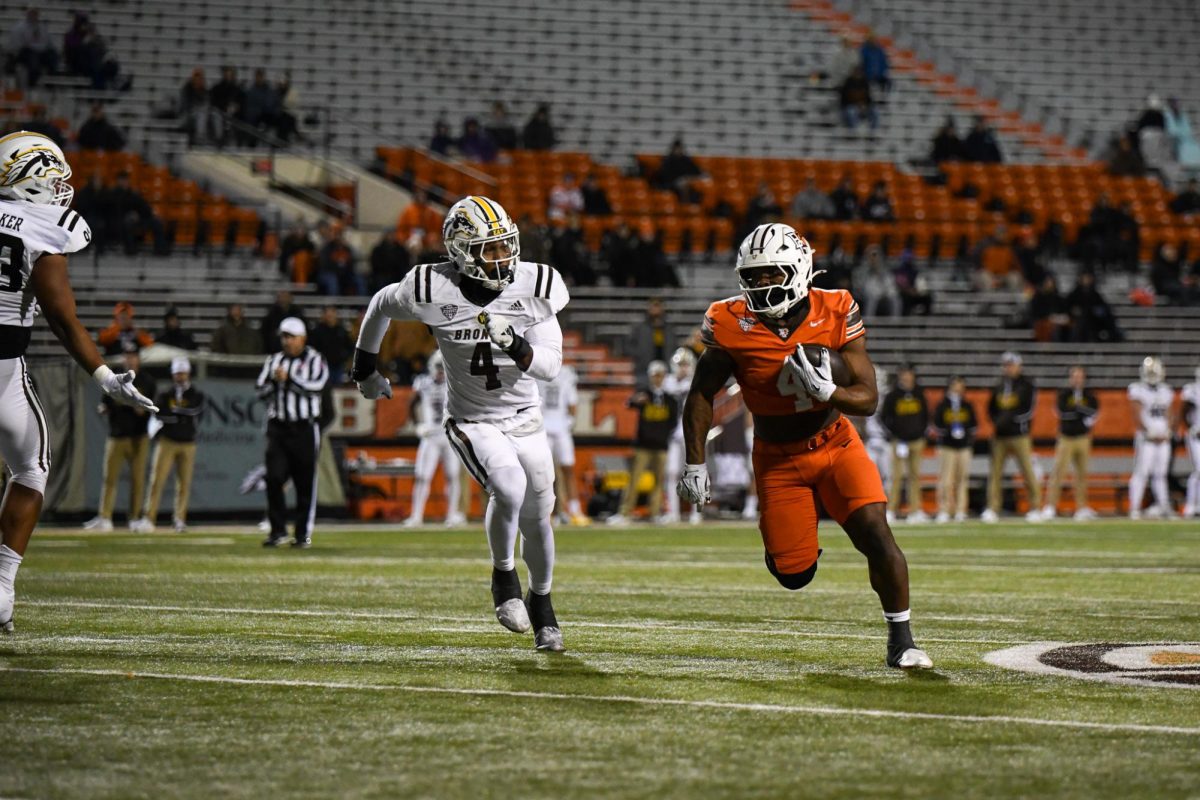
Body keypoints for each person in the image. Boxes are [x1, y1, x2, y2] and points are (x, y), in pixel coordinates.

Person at [678, 222, 932, 669]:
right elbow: (701, 392)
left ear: (797, 270)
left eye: (771, 274)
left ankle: (902, 640)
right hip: (777, 459)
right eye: (753, 277)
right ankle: (789, 543)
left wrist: (828, 390)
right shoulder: (730, 321)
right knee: (794, 575)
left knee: (875, 532)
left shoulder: (834, 308)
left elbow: (869, 399)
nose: (761, 285)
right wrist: (695, 463)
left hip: (835, 443)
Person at [351, 195, 570, 652]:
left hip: (526, 417)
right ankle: (503, 577)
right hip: (472, 418)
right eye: (489, 249)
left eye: (506, 245)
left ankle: (543, 602)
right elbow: (379, 304)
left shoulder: (536, 283)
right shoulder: (431, 288)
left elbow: (549, 366)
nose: (503, 257)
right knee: (508, 486)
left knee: (539, 516)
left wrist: (514, 343)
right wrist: (365, 368)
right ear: (459, 251)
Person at [0, 131, 157, 632]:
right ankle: (1, 586)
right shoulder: (44, 227)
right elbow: (63, 320)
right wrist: (105, 376)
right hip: (3, 370)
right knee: (30, 468)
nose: (61, 187)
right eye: (51, 177)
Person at [256, 317, 329, 547]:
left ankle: (302, 534)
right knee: (274, 477)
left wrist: (289, 381)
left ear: (302, 338)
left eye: (290, 337)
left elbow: (316, 387)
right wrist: (273, 382)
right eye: (283, 337)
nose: (286, 342)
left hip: (304, 427)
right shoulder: (274, 360)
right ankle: (277, 530)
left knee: (304, 483)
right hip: (278, 427)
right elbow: (260, 390)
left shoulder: (315, 359)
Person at [85, 345, 158, 531]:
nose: (131, 359)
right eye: (128, 356)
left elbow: (152, 410)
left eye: (134, 356)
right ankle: (105, 517)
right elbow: (104, 403)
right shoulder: (115, 377)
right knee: (109, 478)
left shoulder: (147, 381)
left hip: (138, 437)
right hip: (117, 434)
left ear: (139, 359)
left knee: (138, 479)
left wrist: (140, 410)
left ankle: (134, 517)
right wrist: (104, 408)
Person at [133, 357, 204, 533]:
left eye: (182, 372)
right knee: (157, 480)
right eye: (177, 373)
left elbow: (194, 411)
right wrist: (178, 416)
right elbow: (159, 413)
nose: (179, 376)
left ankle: (179, 519)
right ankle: (149, 518)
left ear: (188, 373)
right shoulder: (166, 393)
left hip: (188, 442)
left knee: (184, 483)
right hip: (167, 442)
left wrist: (173, 414)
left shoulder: (196, 394)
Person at [608, 361, 679, 525]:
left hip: (661, 446)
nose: (658, 378)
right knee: (634, 480)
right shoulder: (644, 394)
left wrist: (662, 435)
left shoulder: (670, 399)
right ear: (650, 376)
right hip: (642, 445)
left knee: (659, 481)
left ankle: (655, 512)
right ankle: (624, 513)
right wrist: (636, 400)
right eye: (655, 375)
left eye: (660, 375)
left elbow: (673, 422)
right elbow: (628, 403)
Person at [404, 351, 464, 527]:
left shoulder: (455, 383)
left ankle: (452, 515)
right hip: (430, 435)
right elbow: (411, 403)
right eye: (438, 367)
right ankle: (416, 516)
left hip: (449, 435)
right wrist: (417, 425)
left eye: (443, 367)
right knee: (422, 476)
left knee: (452, 476)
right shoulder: (423, 383)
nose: (440, 371)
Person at [982, 351, 1043, 522]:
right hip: (1000, 435)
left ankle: (1035, 506)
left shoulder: (1027, 385)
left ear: (1018, 366)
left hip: (1019, 435)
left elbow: (1029, 410)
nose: (1008, 368)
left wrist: (1008, 420)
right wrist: (997, 422)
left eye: (1011, 365)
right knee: (995, 473)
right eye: (1006, 365)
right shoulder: (1000, 385)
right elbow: (991, 408)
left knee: (1027, 471)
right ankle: (993, 508)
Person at [1041, 365, 1099, 521]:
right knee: (1058, 472)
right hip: (1066, 438)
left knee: (1081, 474)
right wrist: (1080, 410)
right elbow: (1063, 412)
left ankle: (1081, 508)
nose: (1077, 379)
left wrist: (1077, 409)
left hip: (1083, 438)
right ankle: (1050, 506)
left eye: (1080, 376)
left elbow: (1093, 412)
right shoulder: (1064, 394)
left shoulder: (1089, 395)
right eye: (1075, 376)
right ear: (1070, 378)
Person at [535, 358, 588, 526]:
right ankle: (548, 511)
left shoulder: (562, 374)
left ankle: (573, 509)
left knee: (566, 469)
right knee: (545, 472)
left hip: (556, 427)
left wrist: (568, 423)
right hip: (547, 427)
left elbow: (572, 405)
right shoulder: (541, 372)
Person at [1127, 356, 1175, 519]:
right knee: (1142, 472)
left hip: (1162, 439)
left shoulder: (1166, 391)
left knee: (1160, 474)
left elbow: (1169, 413)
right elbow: (1135, 414)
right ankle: (1134, 508)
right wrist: (1148, 432)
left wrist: (1168, 430)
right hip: (1146, 439)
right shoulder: (1137, 389)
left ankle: (1163, 506)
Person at [881, 364, 929, 523]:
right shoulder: (893, 395)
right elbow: (883, 417)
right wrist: (895, 433)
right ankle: (891, 510)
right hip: (899, 442)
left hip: (916, 441)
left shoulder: (919, 393)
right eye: (904, 374)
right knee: (896, 477)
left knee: (915, 477)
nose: (907, 377)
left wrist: (921, 433)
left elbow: (926, 415)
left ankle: (915, 510)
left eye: (909, 374)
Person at [660, 347, 701, 524]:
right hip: (673, 434)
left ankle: (696, 512)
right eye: (680, 364)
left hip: (691, 433)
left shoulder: (696, 381)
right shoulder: (668, 382)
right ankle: (673, 512)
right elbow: (669, 391)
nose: (683, 368)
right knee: (672, 472)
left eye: (686, 364)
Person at [929, 375, 977, 523]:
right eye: (956, 384)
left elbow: (974, 424)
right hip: (947, 446)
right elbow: (936, 424)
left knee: (962, 479)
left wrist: (965, 434)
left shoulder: (967, 405)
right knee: (945, 479)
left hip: (963, 446)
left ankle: (961, 510)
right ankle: (944, 509)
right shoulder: (943, 404)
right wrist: (950, 431)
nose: (959, 387)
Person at [626, 297, 674, 388]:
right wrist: (640, 355)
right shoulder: (640, 328)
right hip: (644, 370)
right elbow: (628, 346)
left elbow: (673, 347)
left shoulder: (668, 329)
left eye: (658, 306)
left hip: (665, 369)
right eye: (653, 306)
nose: (655, 309)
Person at [6, 9, 58, 88]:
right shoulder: (20, 27)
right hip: (25, 53)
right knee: (33, 59)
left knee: (53, 56)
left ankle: (51, 82)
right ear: (28, 15)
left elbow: (48, 43)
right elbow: (17, 46)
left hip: (40, 52)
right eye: (32, 14)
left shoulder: (42, 27)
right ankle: (31, 84)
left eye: (35, 14)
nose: (34, 16)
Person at [308, 305, 354, 385]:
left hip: (338, 366)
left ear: (335, 315)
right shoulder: (318, 331)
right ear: (324, 315)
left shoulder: (341, 330)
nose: (330, 317)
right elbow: (312, 347)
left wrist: (344, 357)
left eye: (332, 314)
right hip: (322, 365)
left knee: (337, 389)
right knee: (324, 387)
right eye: (328, 314)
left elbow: (350, 346)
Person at [1181, 366, 1200, 519]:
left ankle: (1196, 505)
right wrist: (1191, 428)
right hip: (1196, 435)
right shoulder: (1192, 390)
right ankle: (1190, 505)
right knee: (1198, 470)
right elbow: (1184, 411)